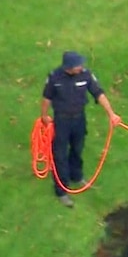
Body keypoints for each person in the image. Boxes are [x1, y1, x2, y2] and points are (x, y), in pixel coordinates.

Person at [41, 51, 121, 207]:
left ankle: (76, 176)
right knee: (60, 155)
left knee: (77, 148)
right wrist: (44, 116)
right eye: (78, 65)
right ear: (69, 67)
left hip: (79, 119)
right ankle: (62, 191)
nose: (81, 66)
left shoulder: (86, 75)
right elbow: (46, 98)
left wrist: (111, 114)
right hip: (61, 121)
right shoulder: (54, 77)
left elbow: (99, 93)